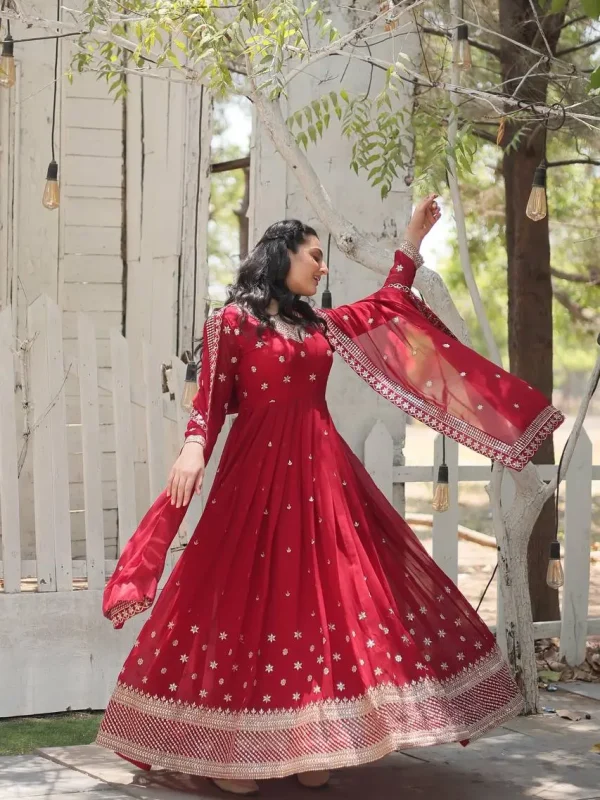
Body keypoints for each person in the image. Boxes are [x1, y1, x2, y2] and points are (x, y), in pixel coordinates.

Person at [97, 196, 564, 795]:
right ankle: (228, 746)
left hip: (323, 483)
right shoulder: (231, 323)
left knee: (320, 607)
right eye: (313, 257)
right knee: (244, 602)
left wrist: (411, 241)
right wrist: (192, 447)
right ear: (281, 254)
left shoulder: (318, 324)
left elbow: (387, 305)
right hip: (254, 483)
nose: (321, 268)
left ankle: (310, 740)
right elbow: (208, 408)